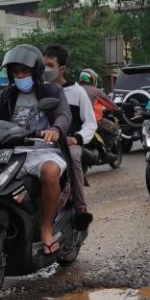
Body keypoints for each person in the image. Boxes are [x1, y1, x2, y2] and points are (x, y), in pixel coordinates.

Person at [0, 44, 71, 255]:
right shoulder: (8, 94)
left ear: (36, 71)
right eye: (16, 72)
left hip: (43, 150)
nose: (20, 75)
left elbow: (63, 115)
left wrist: (54, 130)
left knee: (50, 171)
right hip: (10, 151)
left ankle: (46, 228)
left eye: (24, 71)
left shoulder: (52, 90)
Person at [42, 44, 96, 220]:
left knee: (72, 157)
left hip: (68, 142)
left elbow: (90, 122)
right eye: (44, 65)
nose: (45, 69)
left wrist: (77, 139)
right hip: (43, 142)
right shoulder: (39, 90)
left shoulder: (77, 92)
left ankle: (80, 206)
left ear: (62, 69)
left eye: (50, 65)